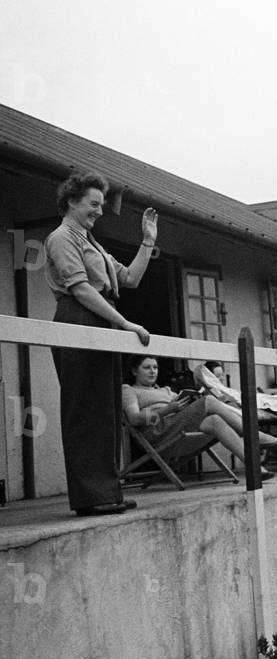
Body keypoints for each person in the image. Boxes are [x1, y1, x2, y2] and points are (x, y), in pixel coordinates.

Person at [44, 172, 156, 516]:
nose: (100, 211)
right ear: (72, 201)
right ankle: (90, 497)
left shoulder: (91, 242)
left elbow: (130, 279)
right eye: (93, 204)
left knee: (106, 409)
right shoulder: (62, 238)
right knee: (84, 410)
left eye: (102, 205)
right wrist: (124, 323)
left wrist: (147, 241)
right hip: (78, 317)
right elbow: (80, 288)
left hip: (102, 319)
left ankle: (109, 490)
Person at [123, 356, 277, 479]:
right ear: (134, 371)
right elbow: (134, 418)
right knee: (208, 401)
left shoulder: (165, 390)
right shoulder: (129, 390)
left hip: (177, 429)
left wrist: (187, 401)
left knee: (215, 420)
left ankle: (256, 469)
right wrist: (167, 410)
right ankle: (258, 437)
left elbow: (183, 405)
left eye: (155, 367)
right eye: (147, 368)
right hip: (158, 432)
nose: (153, 371)